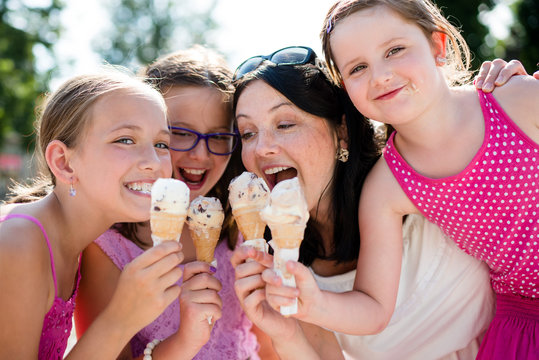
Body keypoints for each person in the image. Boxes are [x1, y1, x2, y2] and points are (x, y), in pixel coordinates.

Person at [261, 1, 537, 359]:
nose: (380, 75)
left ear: (438, 45)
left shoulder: (515, 100)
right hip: (524, 325)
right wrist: (312, 303)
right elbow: (374, 307)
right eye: (358, 68)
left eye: (395, 50)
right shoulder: (387, 188)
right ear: (346, 87)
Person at [74, 45, 273, 360]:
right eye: (180, 133)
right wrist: (184, 341)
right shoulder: (107, 247)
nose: (201, 155)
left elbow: (269, 347)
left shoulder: (242, 231)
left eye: (218, 136)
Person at [0, 69, 184, 359]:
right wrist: (121, 319)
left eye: (161, 144)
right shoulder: (17, 244)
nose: (153, 162)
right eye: (125, 140)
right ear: (64, 163)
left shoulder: (79, 244)